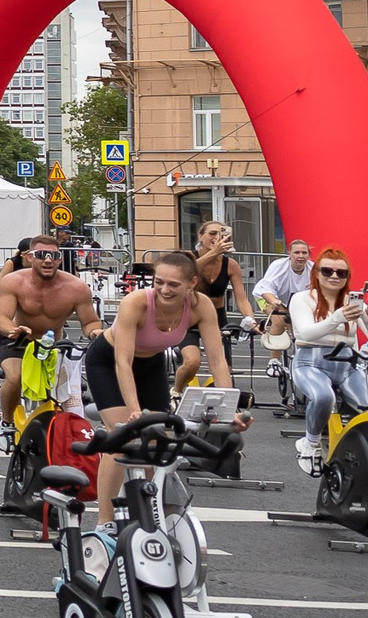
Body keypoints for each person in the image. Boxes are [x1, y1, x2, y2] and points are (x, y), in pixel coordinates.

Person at [85, 250, 249, 531]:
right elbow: (122, 362)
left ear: (191, 284)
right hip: (109, 362)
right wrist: (135, 410)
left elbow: (217, 360)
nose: (164, 289)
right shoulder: (137, 302)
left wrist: (228, 410)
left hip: (151, 364)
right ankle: (105, 520)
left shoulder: (202, 307)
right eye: (158, 282)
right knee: (122, 434)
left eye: (173, 284)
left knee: (156, 441)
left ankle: (143, 513)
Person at [0, 235, 106, 424]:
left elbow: (90, 322)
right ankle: (7, 422)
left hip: (53, 343)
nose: (48, 260)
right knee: (15, 378)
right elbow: (1, 319)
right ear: (29, 257)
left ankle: (51, 430)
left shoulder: (76, 287)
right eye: (42, 254)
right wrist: (12, 330)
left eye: (54, 256)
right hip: (19, 339)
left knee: (55, 392)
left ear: (60, 259)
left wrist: (95, 333)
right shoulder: (12, 281)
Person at [288, 248, 365, 468]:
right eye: (327, 271)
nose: (334, 276)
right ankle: (310, 442)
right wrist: (337, 317)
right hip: (311, 361)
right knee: (323, 396)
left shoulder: (352, 300)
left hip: (348, 364)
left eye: (341, 273)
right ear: (316, 274)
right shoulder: (302, 298)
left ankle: (356, 448)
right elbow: (304, 334)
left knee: (367, 404)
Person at [176, 220, 257, 391]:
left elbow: (241, 298)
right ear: (201, 236)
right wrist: (213, 253)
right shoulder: (189, 258)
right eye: (212, 233)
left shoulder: (230, 265)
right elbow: (183, 273)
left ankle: (218, 403)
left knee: (224, 369)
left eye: (222, 233)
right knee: (192, 362)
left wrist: (250, 319)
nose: (217, 237)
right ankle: (176, 390)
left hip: (216, 316)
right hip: (189, 315)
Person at [254, 236, 313, 323]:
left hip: (291, 300)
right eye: (297, 253)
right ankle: (268, 335)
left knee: (298, 323)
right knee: (280, 322)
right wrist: (274, 302)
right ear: (289, 253)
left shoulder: (313, 268)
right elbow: (266, 289)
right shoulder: (278, 266)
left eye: (304, 253)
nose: (301, 256)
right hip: (266, 295)